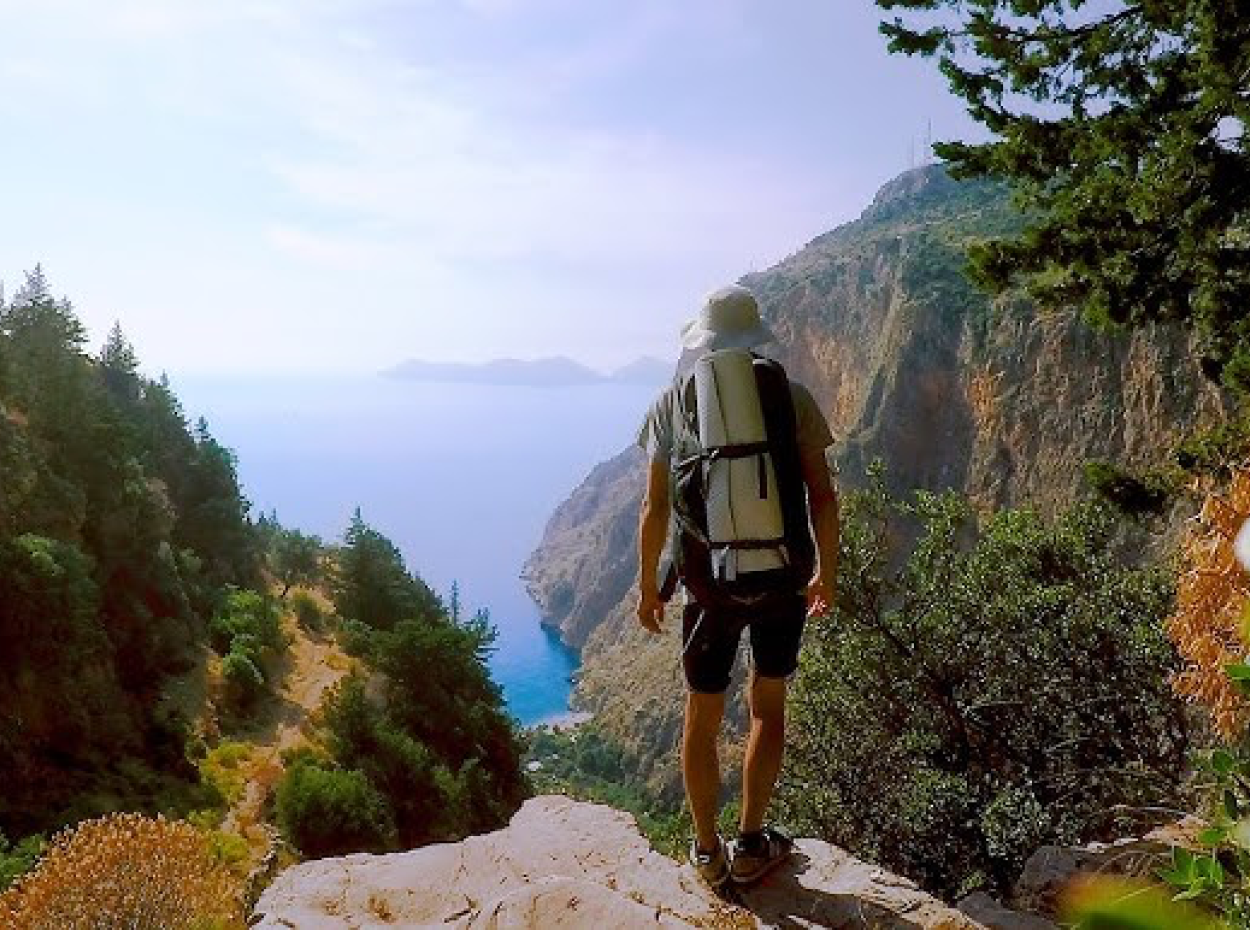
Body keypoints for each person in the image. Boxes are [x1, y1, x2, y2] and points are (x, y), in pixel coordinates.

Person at [635, 284, 840, 888]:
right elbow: (822, 496)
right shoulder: (792, 397)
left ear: (701, 341)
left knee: (701, 716)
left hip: (708, 587)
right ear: (756, 336)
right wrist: (827, 571)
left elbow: (654, 508)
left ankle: (706, 851)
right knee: (766, 709)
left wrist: (649, 586)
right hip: (782, 580)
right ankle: (752, 842)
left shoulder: (671, 404)